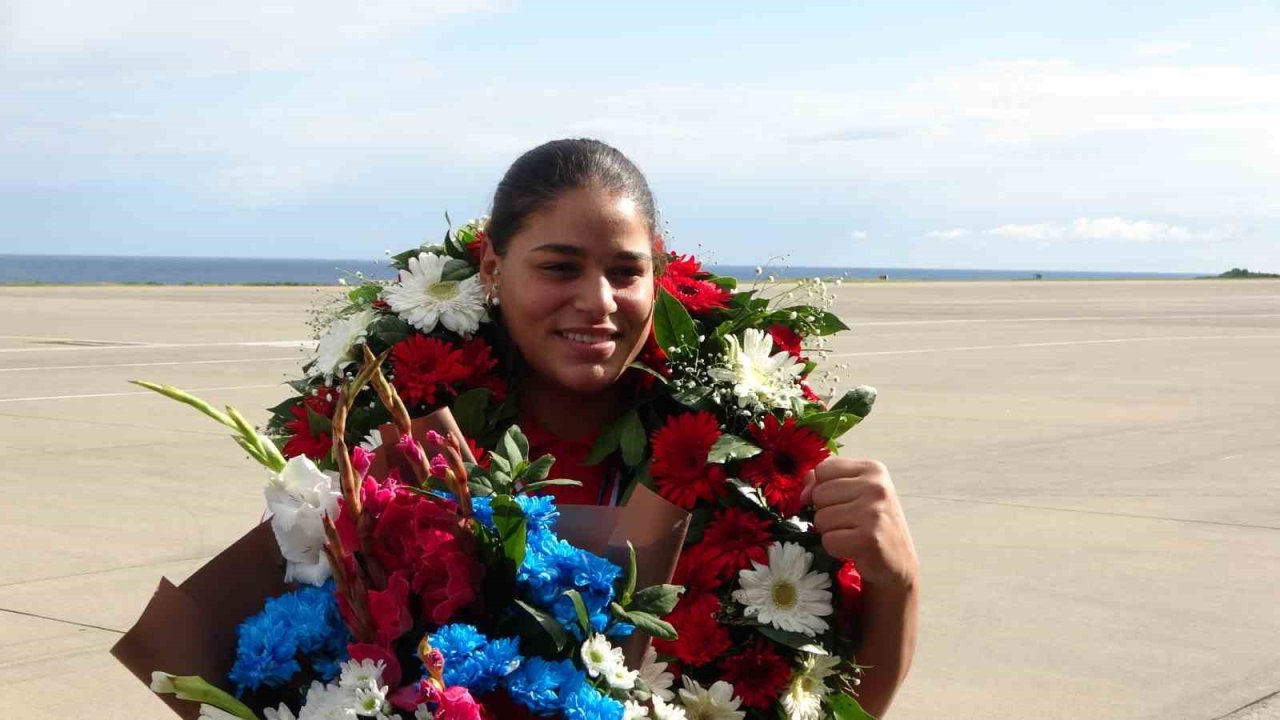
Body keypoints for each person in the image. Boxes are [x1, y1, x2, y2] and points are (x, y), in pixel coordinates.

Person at [477, 138, 920, 717]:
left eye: (625, 272)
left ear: (657, 276)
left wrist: (898, 579)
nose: (599, 300)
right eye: (559, 268)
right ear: (492, 267)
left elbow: (842, 702)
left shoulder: (746, 452)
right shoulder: (402, 445)